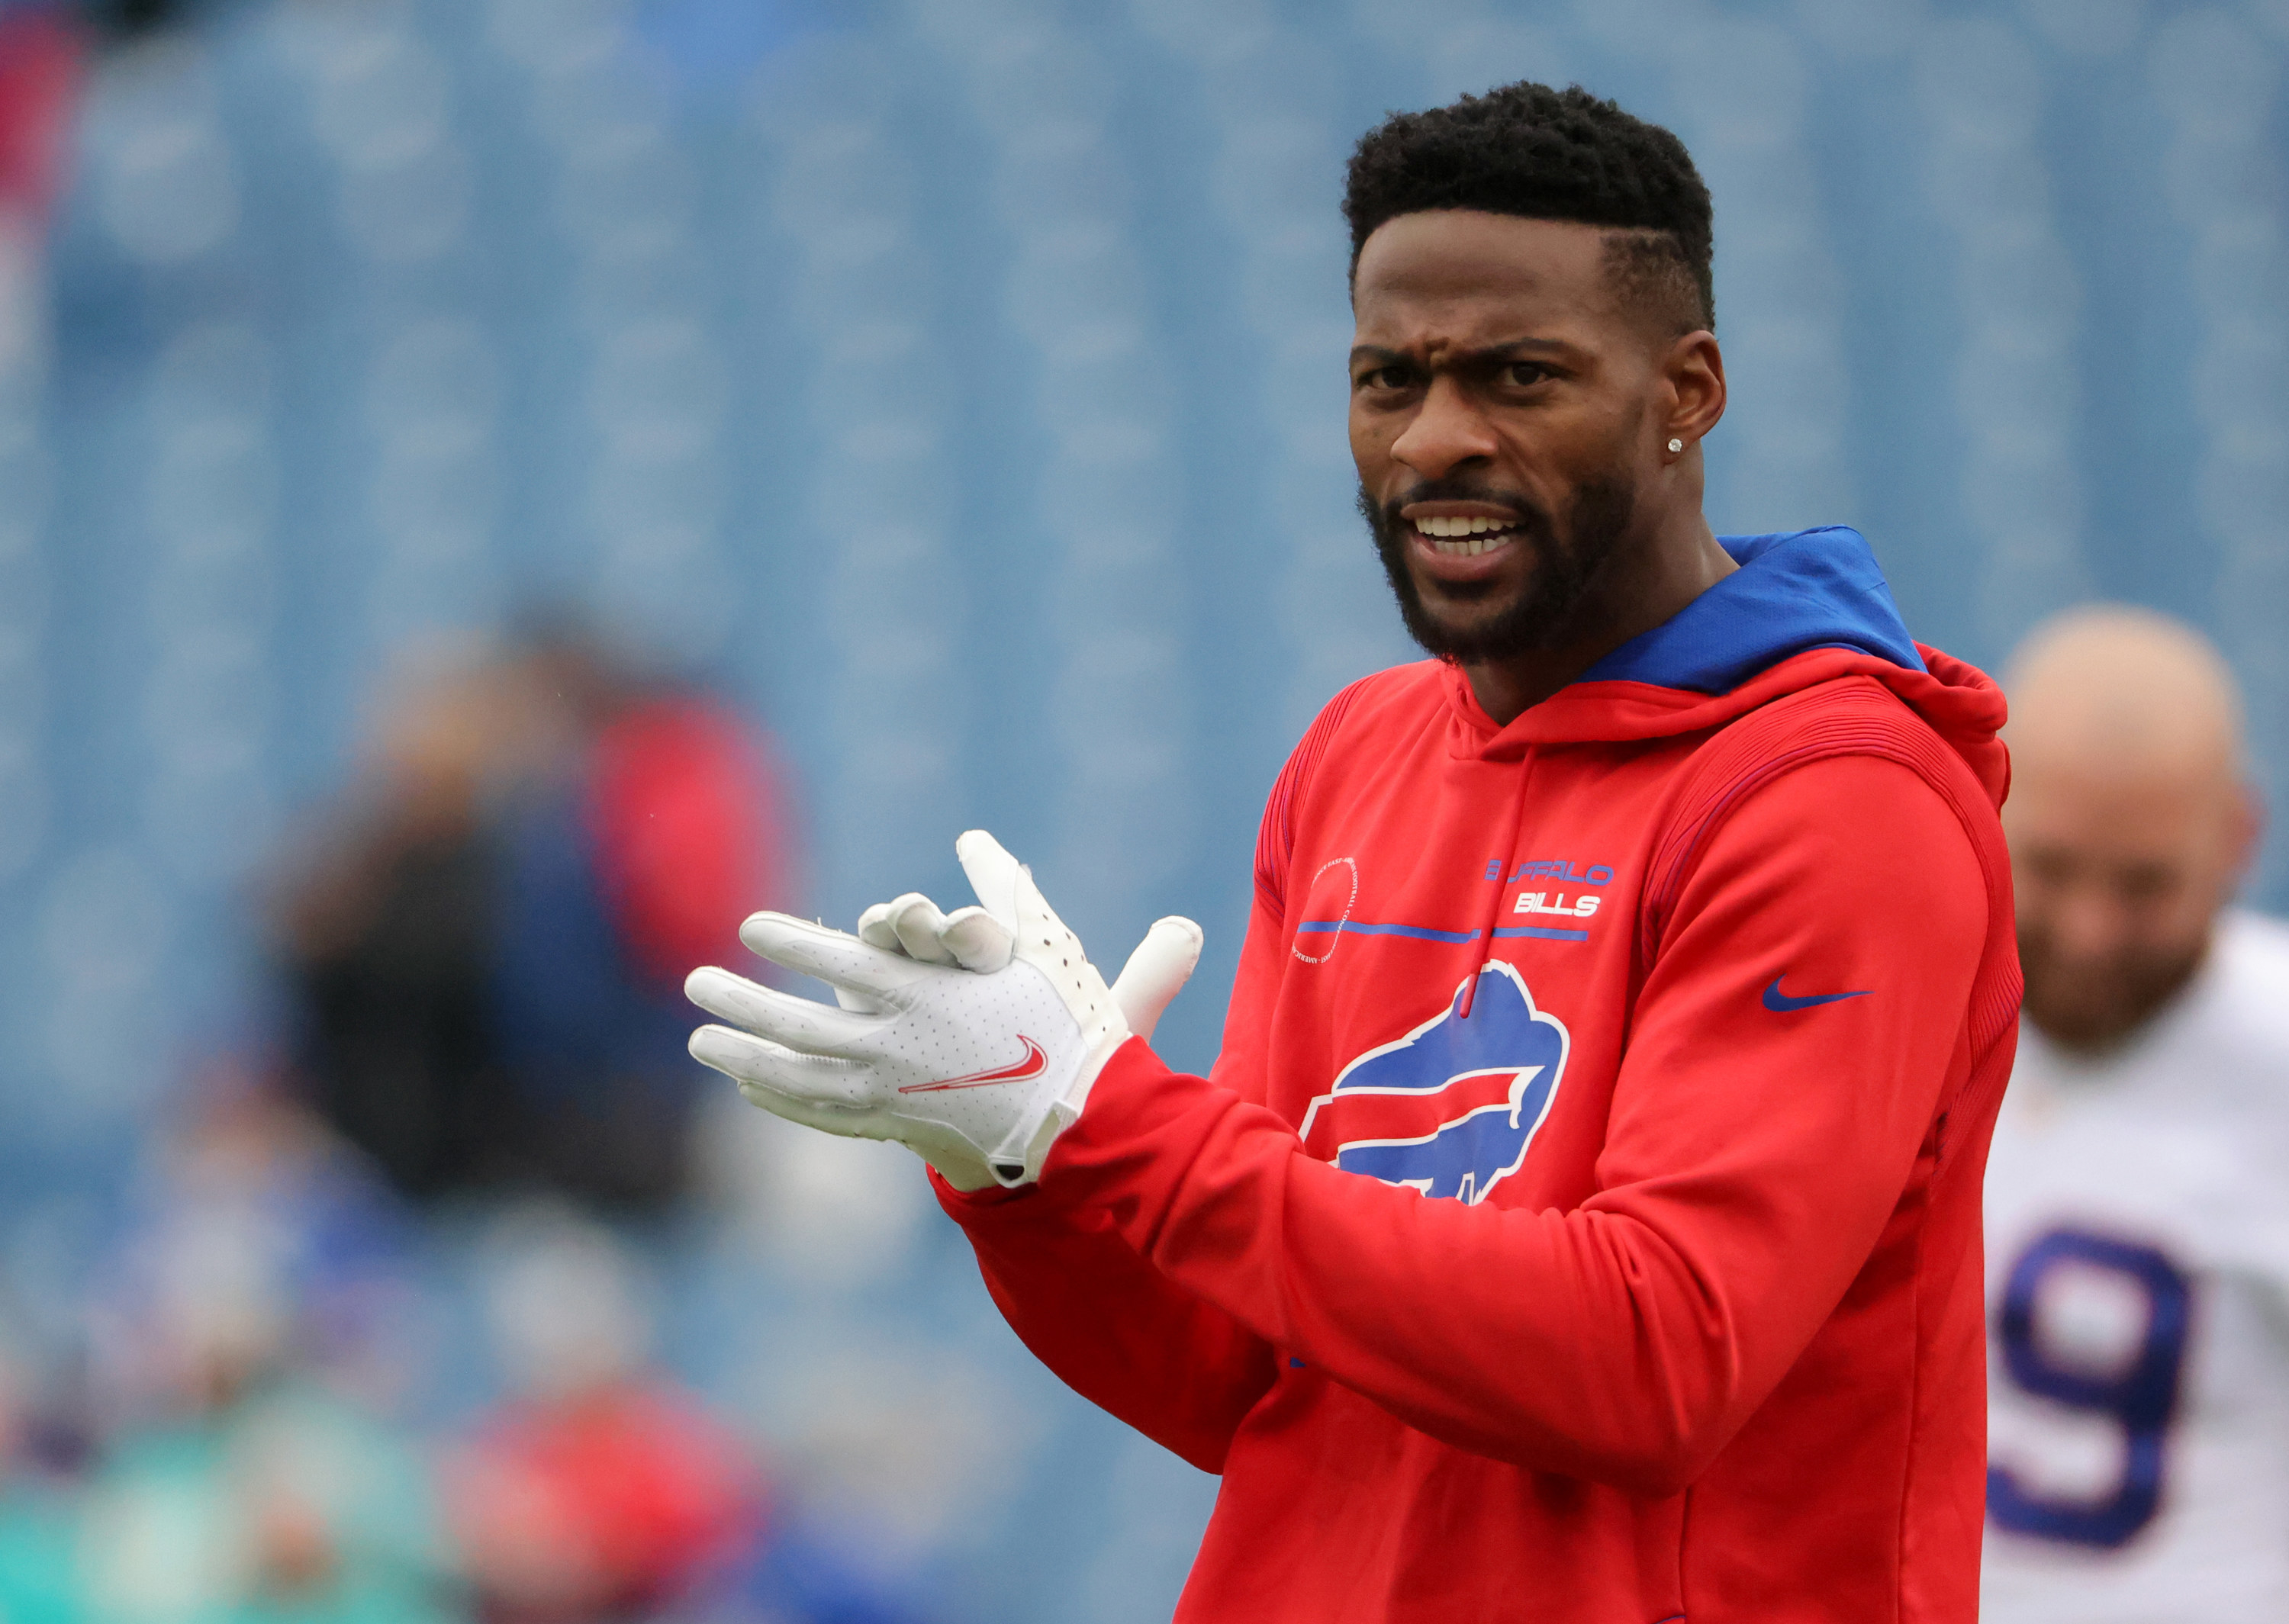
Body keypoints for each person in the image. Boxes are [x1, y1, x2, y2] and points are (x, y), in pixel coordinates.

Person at [685, 83, 2020, 1620]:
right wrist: (1022, 1166)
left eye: (1520, 376)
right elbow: (1247, 1378)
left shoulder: (1838, 799)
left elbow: (1659, 1359)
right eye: (1390, 379)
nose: (1438, 438)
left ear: (1687, 391)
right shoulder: (1360, 755)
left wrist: (1117, 1129)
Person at [1981, 606, 2289, 1618]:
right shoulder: (1882, 1012)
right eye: (2056, 868)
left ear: (2238, 838)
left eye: (2146, 883)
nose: (2091, 930)